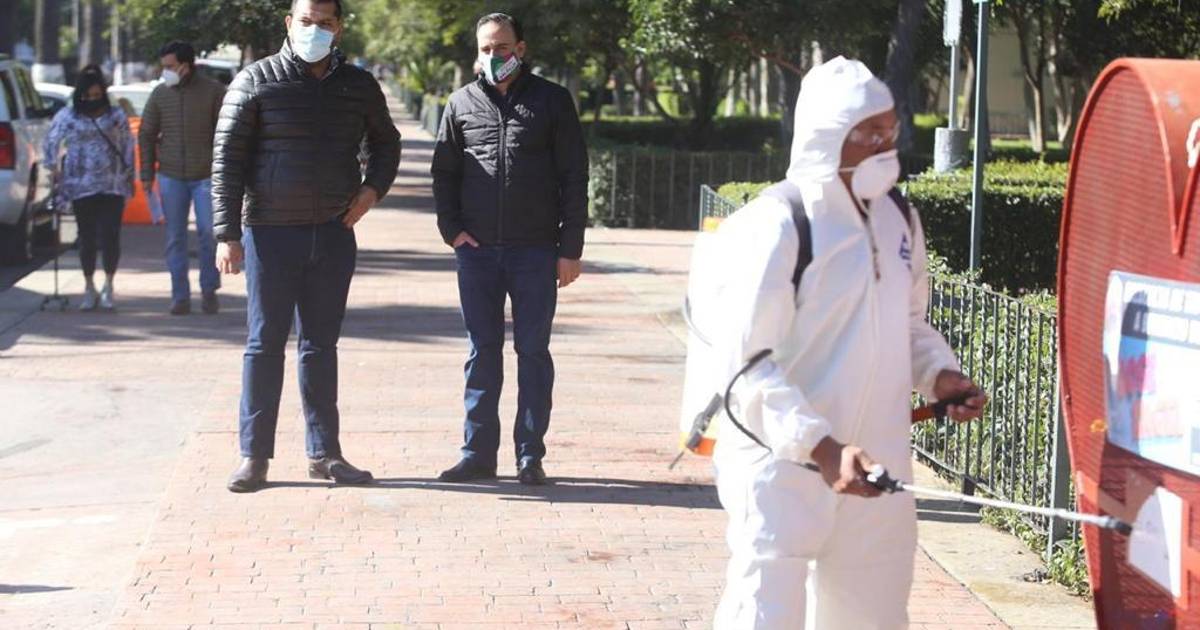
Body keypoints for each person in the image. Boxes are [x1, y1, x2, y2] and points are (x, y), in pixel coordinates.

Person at [709, 57, 988, 629]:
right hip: (782, 463)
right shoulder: (779, 223)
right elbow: (745, 365)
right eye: (869, 133)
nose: (886, 145)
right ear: (826, 136)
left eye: (890, 130)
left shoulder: (899, 217)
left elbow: (907, 322)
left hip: (877, 464)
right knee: (765, 612)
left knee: (873, 613)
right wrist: (820, 446)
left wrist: (939, 374)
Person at [212, 0, 401, 493]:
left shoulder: (357, 85)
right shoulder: (255, 80)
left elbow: (387, 143)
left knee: (320, 346)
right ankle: (254, 456)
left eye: (324, 23)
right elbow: (227, 160)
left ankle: (325, 453)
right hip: (270, 234)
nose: (314, 30)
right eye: (306, 21)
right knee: (264, 344)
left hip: (333, 233)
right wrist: (226, 234)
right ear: (288, 23)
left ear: (339, 28)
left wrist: (371, 191)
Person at [431, 12, 588, 486]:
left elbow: (574, 177)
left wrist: (569, 248)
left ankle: (529, 455)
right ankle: (477, 454)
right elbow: (444, 174)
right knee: (482, 352)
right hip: (477, 253)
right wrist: (452, 231)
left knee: (533, 352)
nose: (493, 56)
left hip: (535, 251)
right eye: (485, 49)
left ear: (520, 49)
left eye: (502, 47)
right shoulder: (460, 103)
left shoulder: (552, 101)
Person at [139, 41, 227, 315]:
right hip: (171, 176)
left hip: (206, 176)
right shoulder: (160, 94)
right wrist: (146, 173)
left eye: (169, 66)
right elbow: (146, 133)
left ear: (186, 66)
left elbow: (227, 133)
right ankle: (180, 297)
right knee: (175, 237)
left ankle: (209, 289)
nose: (165, 71)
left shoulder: (213, 91)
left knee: (208, 233)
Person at [42, 66, 135, 311]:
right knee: (87, 237)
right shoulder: (68, 116)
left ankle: (108, 285)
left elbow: (128, 144)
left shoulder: (116, 115)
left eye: (97, 95)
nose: (92, 100)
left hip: (112, 184)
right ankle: (89, 286)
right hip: (80, 185)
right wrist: (53, 170)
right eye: (88, 96)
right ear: (80, 94)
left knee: (111, 236)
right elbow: (50, 141)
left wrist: (129, 174)